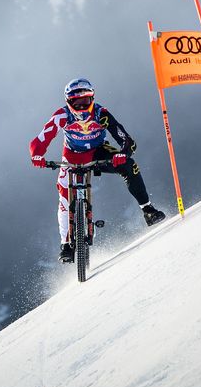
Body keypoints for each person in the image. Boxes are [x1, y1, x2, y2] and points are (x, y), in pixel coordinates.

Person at [30, 77, 166, 262]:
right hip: (71, 156)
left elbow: (126, 139)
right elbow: (41, 139)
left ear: (92, 98)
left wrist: (123, 154)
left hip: (98, 152)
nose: (81, 106)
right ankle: (66, 245)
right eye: (76, 102)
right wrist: (37, 155)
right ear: (68, 102)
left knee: (129, 165)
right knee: (63, 196)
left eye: (85, 101)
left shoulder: (101, 113)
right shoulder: (62, 115)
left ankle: (148, 210)